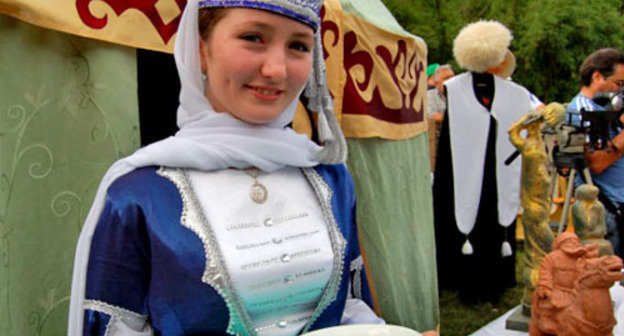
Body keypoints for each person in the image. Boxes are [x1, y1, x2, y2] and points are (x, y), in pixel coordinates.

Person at [67, 1, 386, 335]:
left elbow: (348, 308)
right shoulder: (140, 195)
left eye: (298, 46)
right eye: (253, 37)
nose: (276, 69)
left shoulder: (330, 179)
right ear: (201, 50)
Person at [433, 20, 532, 303]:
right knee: (465, 205)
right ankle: (466, 275)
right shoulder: (454, 89)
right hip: (462, 167)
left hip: (498, 167)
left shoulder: (517, 96)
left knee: (493, 208)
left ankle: (489, 276)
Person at [566, 48, 624, 258]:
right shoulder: (579, 110)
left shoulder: (611, 107)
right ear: (597, 76)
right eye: (618, 84)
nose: (621, 90)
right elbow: (596, 163)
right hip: (607, 208)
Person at [426, 64, 454, 171]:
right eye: (447, 78)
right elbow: (432, 117)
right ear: (436, 82)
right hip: (438, 147)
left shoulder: (460, 96)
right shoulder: (429, 96)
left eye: (452, 77)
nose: (451, 81)